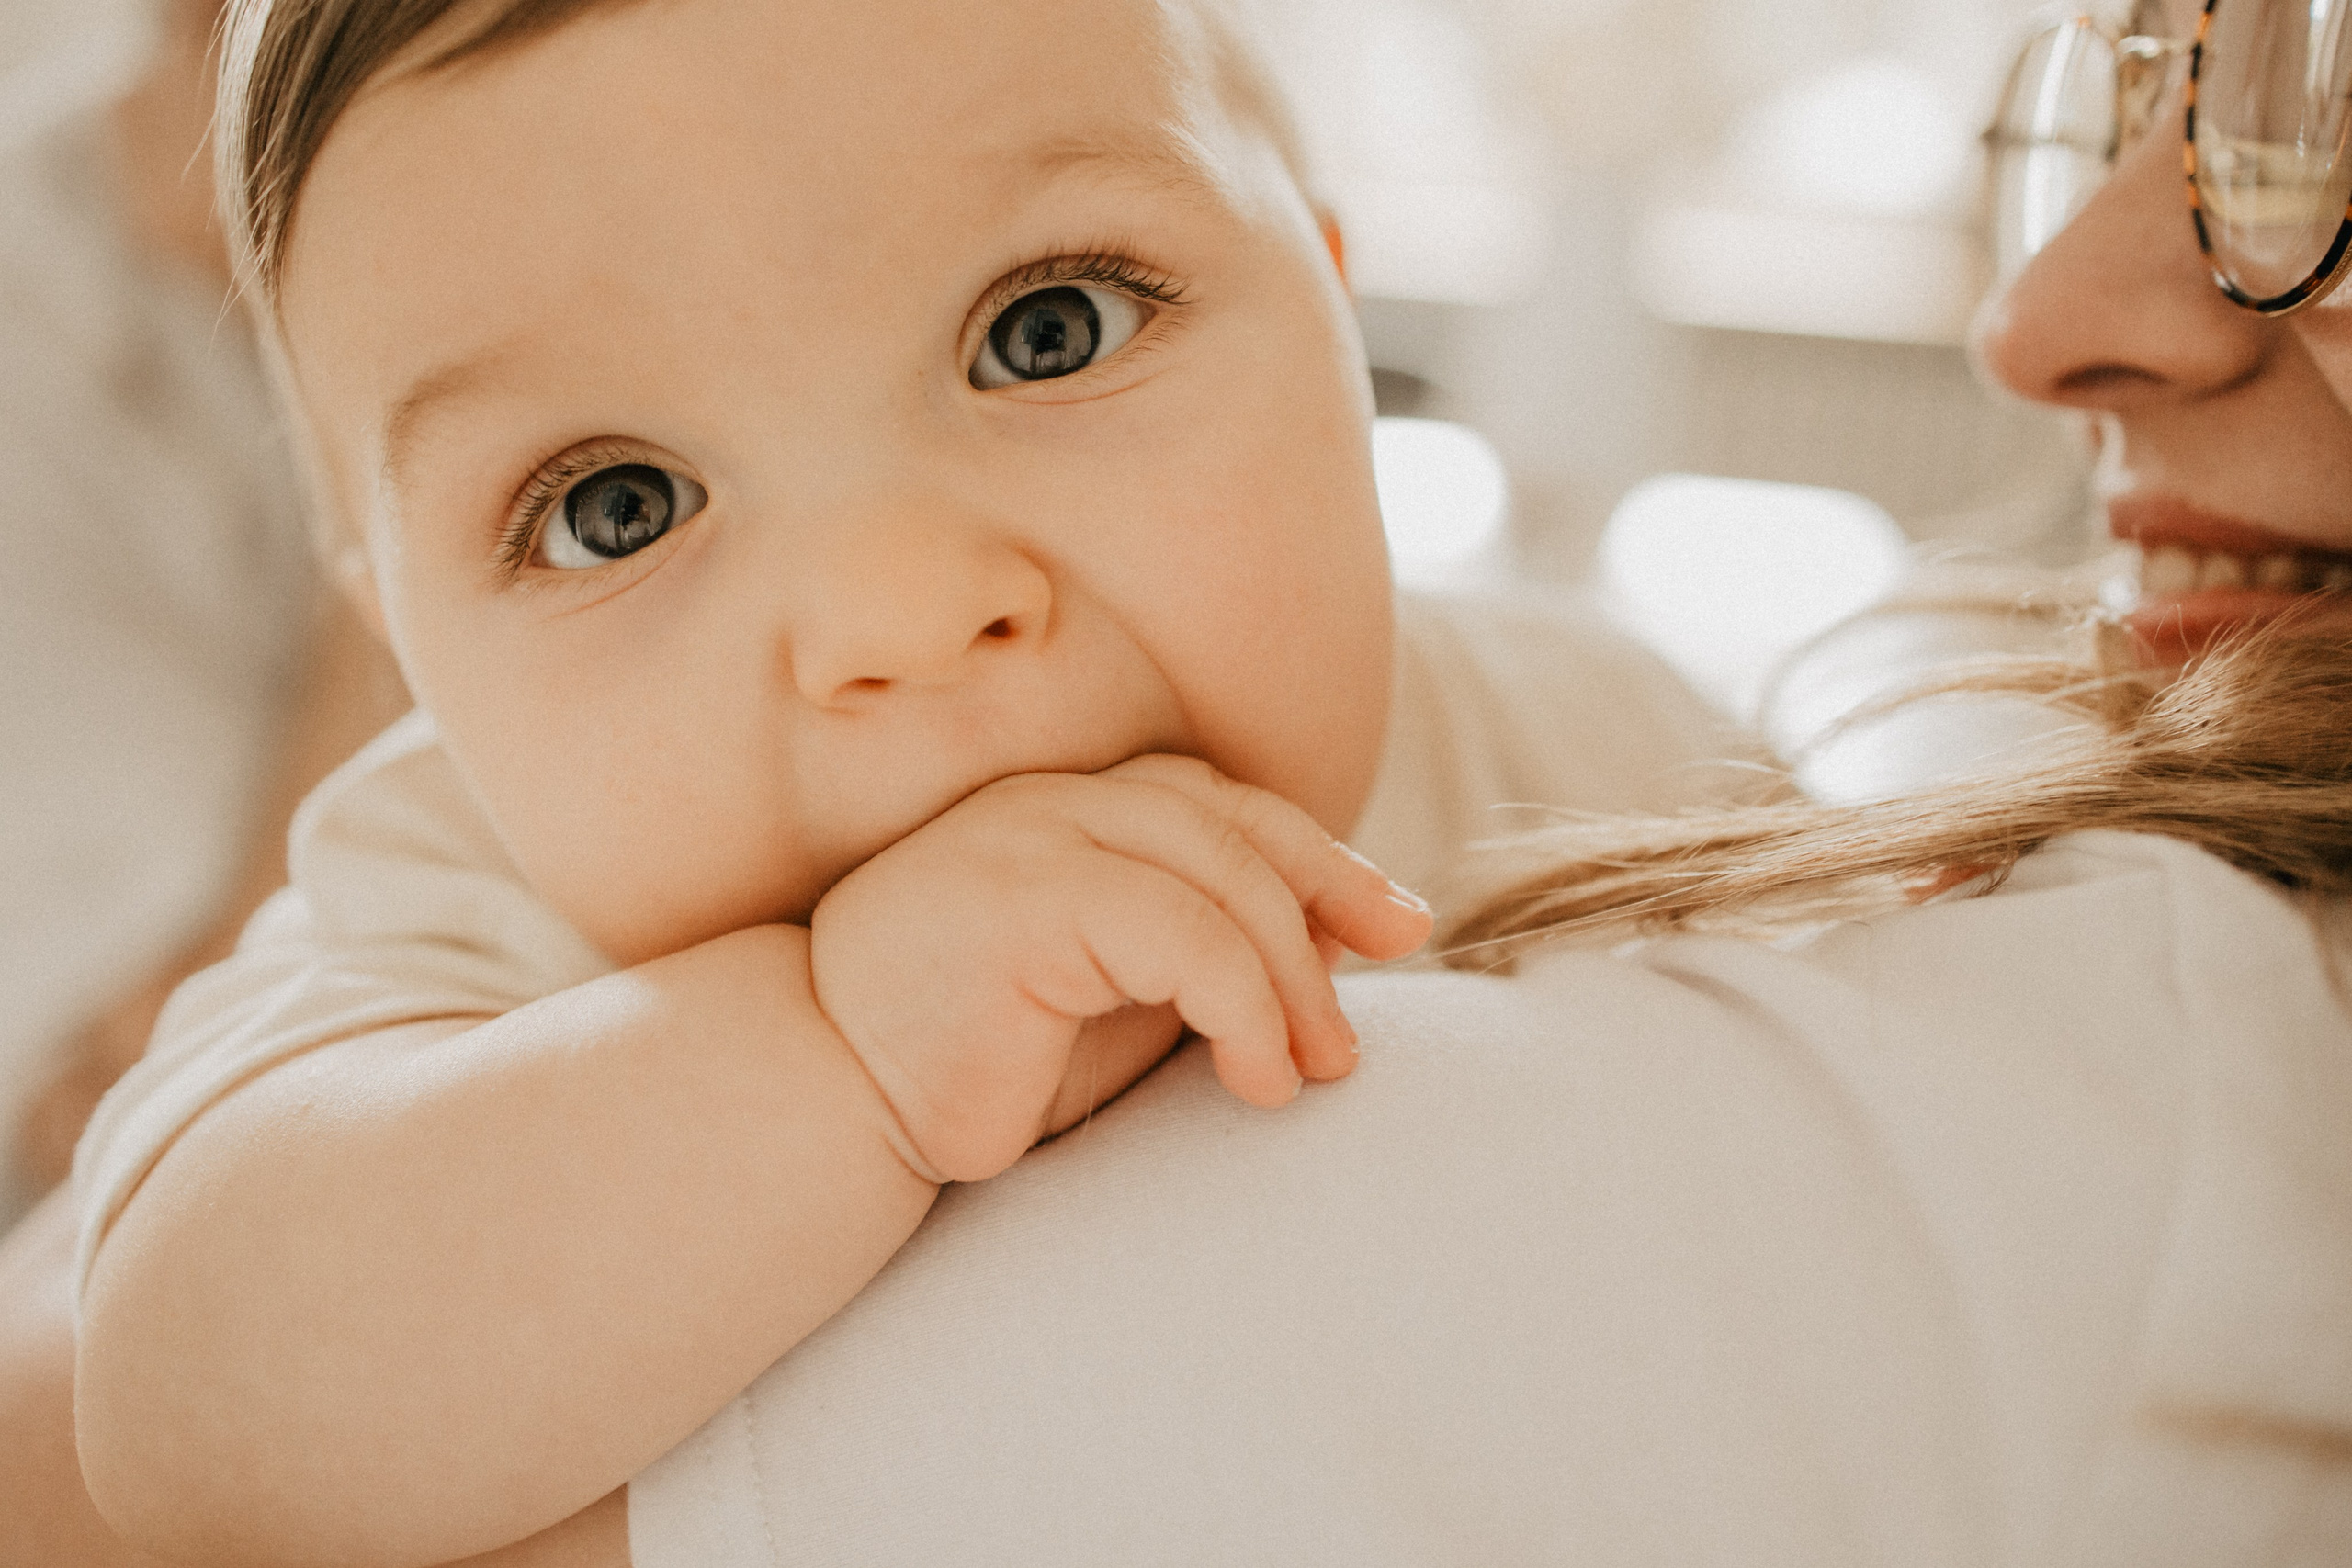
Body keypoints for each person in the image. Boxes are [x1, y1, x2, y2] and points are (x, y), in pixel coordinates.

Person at [42, 0, 1753, 1562]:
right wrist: (849, 1054)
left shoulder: (1598, 749)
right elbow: (194, 1421)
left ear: (1330, 309)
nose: (904, 614)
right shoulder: (466, 927)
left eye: (1050, 329)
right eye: (613, 508)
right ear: (410, 645)